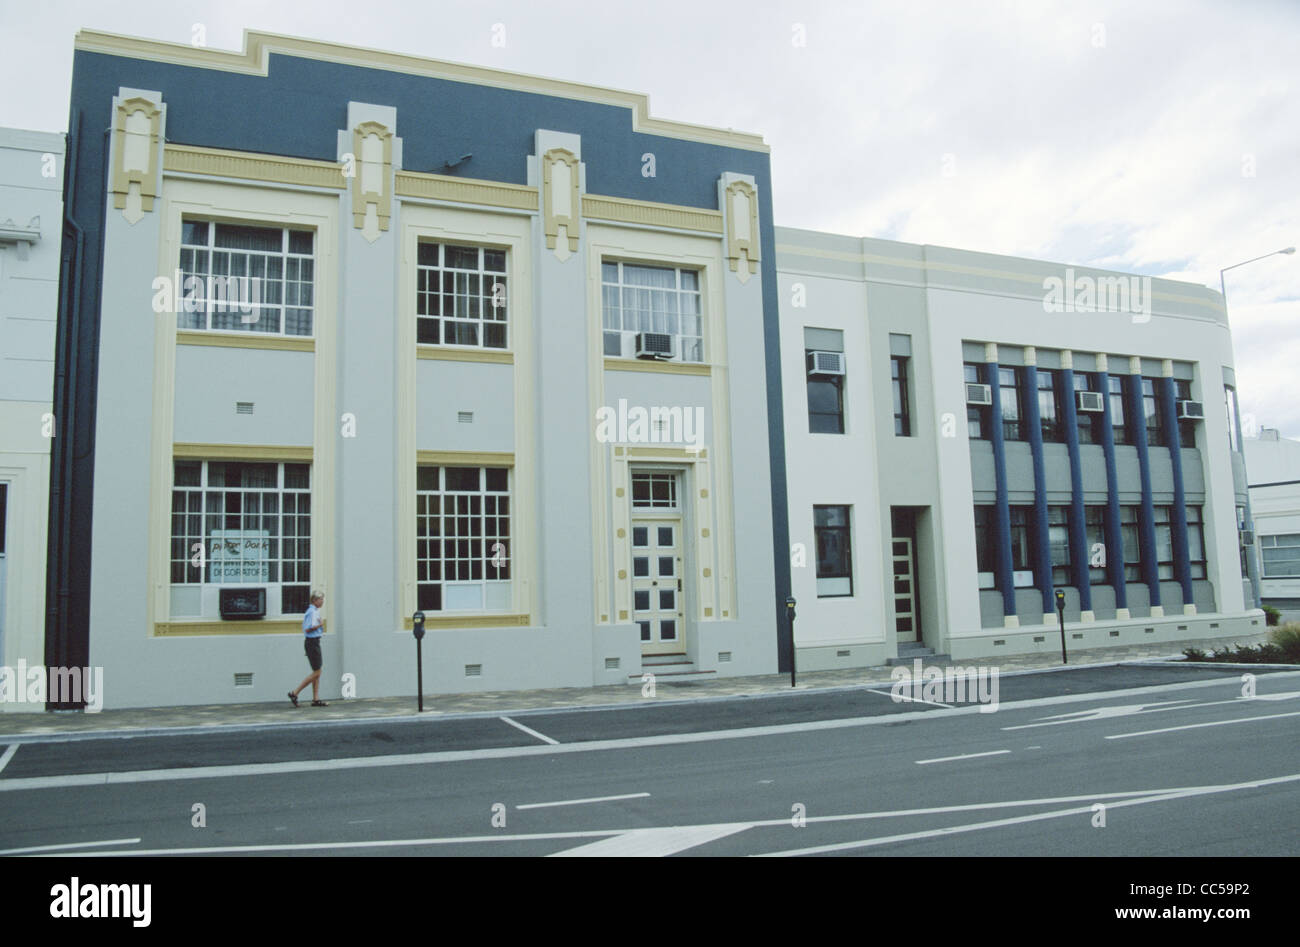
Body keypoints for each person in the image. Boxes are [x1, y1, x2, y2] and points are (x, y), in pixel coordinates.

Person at [289, 591, 328, 707]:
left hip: (314, 642)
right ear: (315, 600)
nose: (322, 602)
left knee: (317, 671)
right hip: (312, 642)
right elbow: (307, 629)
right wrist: (320, 625)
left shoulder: (315, 611)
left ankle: (316, 699)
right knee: (317, 672)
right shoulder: (312, 612)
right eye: (321, 600)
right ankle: (295, 692)